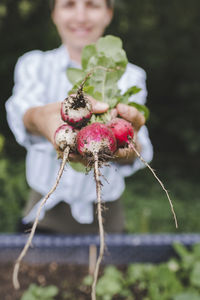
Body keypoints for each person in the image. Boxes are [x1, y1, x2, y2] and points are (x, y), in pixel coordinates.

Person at [5, 0, 153, 234]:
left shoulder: (131, 76)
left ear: (108, 13)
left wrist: (126, 142)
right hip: (43, 212)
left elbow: (137, 146)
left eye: (92, 5)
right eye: (69, 4)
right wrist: (44, 118)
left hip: (107, 214)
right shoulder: (33, 65)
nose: (81, 16)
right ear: (54, 13)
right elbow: (24, 114)